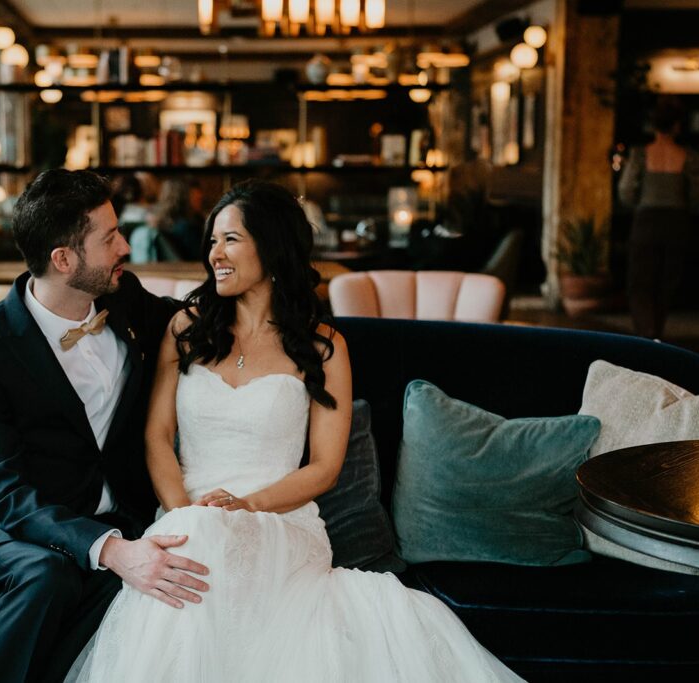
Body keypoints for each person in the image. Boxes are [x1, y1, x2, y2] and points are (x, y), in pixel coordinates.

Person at [67, 180, 523, 682]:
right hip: (187, 514)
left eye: (231, 239)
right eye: (212, 240)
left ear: (272, 244)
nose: (214, 253)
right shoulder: (185, 328)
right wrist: (185, 512)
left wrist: (247, 506)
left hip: (282, 519)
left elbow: (325, 467)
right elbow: (157, 437)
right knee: (193, 548)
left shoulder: (324, 347)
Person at [0, 169, 210, 683]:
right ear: (63, 259)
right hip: (15, 530)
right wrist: (111, 549)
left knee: (162, 580)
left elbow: (195, 322)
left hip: (128, 516)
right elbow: (3, 492)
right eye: (109, 238)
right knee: (49, 575)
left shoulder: (123, 298)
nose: (126, 246)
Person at [618, 96, 699, 339]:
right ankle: (657, 333)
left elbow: (625, 191)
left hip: (646, 221)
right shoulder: (689, 157)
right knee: (666, 284)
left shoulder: (640, 154)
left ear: (654, 124)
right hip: (677, 223)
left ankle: (647, 336)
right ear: (678, 125)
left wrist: (642, 202)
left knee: (640, 285)